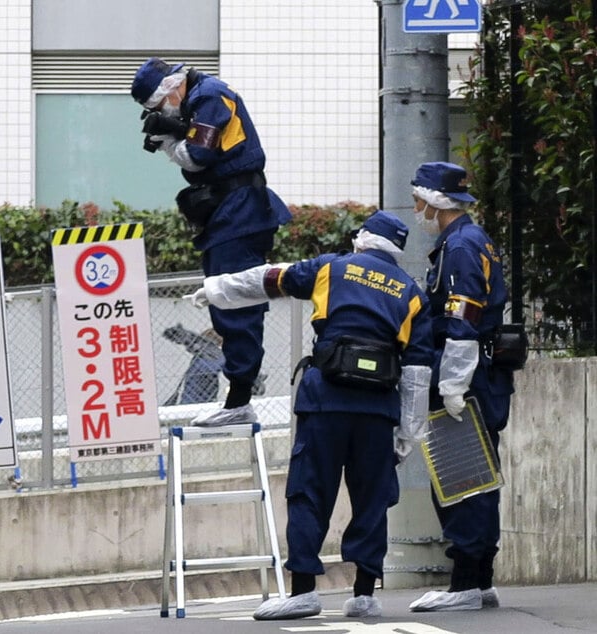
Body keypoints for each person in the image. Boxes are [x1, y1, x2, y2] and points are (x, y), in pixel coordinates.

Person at [190, 210, 434, 620]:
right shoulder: (412, 293)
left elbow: (270, 279)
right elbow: (417, 370)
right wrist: (408, 432)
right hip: (377, 410)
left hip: (326, 401)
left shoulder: (332, 268)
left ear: (362, 239)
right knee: (372, 499)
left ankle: (303, 590)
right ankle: (364, 594)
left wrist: (216, 290)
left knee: (309, 493)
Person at [130, 57, 292, 427]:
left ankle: (239, 399)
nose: (162, 111)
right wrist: (174, 132)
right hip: (229, 212)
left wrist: (171, 135)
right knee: (226, 300)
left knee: (236, 300)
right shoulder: (199, 98)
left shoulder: (210, 95)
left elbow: (197, 156)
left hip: (240, 212)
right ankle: (238, 397)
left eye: (158, 106)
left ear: (170, 89)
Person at [407, 161, 515, 612]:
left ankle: (465, 583)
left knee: (461, 478)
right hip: (482, 376)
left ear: (434, 201)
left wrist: (452, 384)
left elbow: (462, 321)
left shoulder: (461, 247)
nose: (416, 208)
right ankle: (478, 579)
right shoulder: (470, 240)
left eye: (419, 200)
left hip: (467, 378)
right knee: (477, 478)